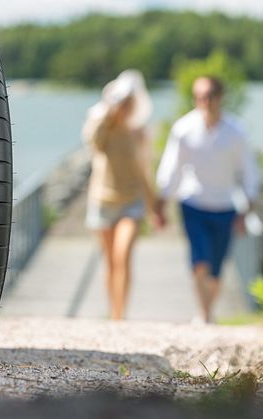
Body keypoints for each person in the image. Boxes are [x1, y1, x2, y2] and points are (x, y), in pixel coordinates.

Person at [155, 76, 260, 324]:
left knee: (216, 268)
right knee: (199, 261)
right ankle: (204, 315)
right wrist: (161, 205)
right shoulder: (183, 128)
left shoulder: (236, 132)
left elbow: (248, 172)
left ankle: (207, 311)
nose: (205, 102)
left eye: (210, 96)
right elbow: (171, 168)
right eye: (200, 96)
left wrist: (248, 209)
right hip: (193, 203)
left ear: (221, 97)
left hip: (224, 205)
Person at [82, 70, 163, 320]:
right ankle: (113, 310)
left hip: (131, 200)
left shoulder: (138, 132)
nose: (126, 107)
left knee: (122, 255)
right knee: (109, 262)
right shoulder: (102, 126)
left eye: (130, 103)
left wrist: (155, 207)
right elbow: (92, 141)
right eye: (123, 102)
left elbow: (144, 170)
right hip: (102, 199)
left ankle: (121, 314)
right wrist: (108, 111)